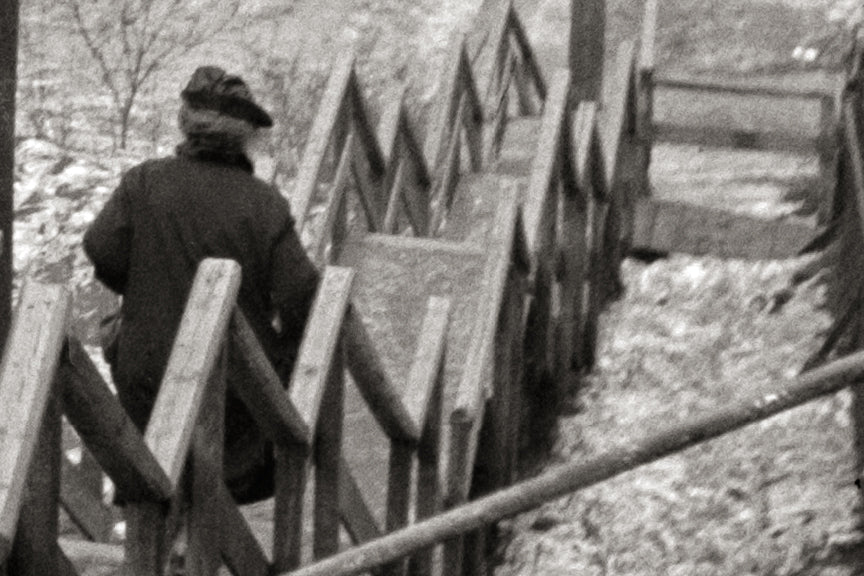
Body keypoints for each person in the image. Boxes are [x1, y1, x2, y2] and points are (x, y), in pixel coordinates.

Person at [84, 65, 320, 505]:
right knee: (223, 487)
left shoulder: (144, 182)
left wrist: (141, 289)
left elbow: (102, 250)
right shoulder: (264, 206)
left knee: (155, 478)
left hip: (148, 381)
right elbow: (302, 296)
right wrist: (283, 360)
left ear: (184, 121)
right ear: (245, 134)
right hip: (235, 393)